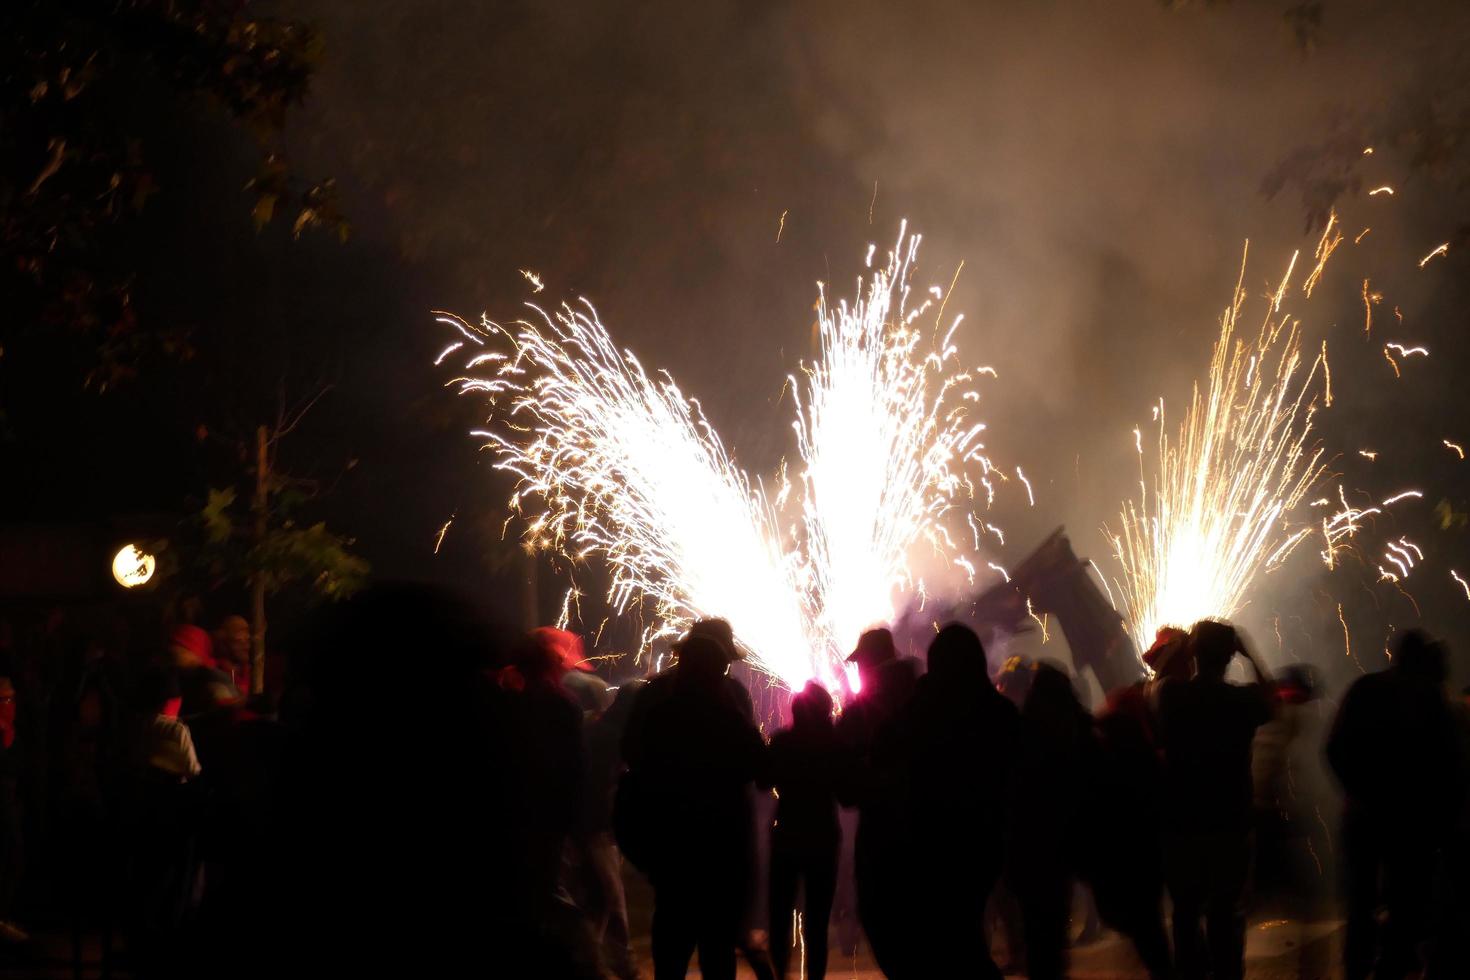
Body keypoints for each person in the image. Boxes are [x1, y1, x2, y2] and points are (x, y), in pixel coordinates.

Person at [621, 620, 764, 980]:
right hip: (719, 846)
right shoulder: (731, 702)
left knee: (671, 946)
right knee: (717, 950)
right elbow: (756, 767)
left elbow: (632, 756)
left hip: (671, 845)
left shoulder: (655, 701)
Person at [1327, 629, 1463, 980]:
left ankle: (1356, 969)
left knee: (1360, 903)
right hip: (1410, 822)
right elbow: (1449, 763)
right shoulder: (1431, 698)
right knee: (1405, 905)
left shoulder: (1364, 688)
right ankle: (1390, 968)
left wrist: (1357, 792)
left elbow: (1334, 748)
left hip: (1363, 817)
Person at [903, 623, 1020, 979]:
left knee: (953, 938)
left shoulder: (924, 713)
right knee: (965, 931)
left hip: (942, 842)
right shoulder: (1001, 713)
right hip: (986, 841)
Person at [1158, 620, 1273, 980]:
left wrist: (1177, 651)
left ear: (1195, 653)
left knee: (1186, 914)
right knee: (1225, 914)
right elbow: (1271, 700)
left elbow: (1154, 686)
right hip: (1228, 828)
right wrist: (1250, 653)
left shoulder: (1173, 697)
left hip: (1183, 827)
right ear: (1229, 656)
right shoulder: (1242, 701)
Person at [1088, 627, 1188, 980]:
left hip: (1145, 826)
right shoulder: (1140, 700)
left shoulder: (1133, 699)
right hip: (1153, 824)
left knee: (1159, 919)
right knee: (1167, 918)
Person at [834, 627, 918, 978]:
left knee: (884, 923)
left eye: (861, 662)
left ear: (869, 663)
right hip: (934, 831)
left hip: (882, 837)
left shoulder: (859, 715)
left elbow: (847, 792)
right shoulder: (927, 700)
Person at [1007, 662, 1096, 980]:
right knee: (1052, 935)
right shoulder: (1080, 731)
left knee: (1038, 935)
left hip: (1031, 851)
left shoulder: (1021, 733)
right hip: (1064, 846)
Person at [763, 681, 841, 980]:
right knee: (817, 921)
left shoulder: (781, 742)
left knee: (780, 914)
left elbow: (762, 781)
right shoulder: (833, 745)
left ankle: (780, 974)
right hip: (823, 835)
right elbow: (847, 795)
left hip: (787, 834)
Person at [579, 680, 643, 980]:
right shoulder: (613, 736)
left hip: (592, 824)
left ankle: (590, 963)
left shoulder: (600, 725)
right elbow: (602, 786)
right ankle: (622, 967)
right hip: (596, 826)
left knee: (598, 899)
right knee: (611, 899)